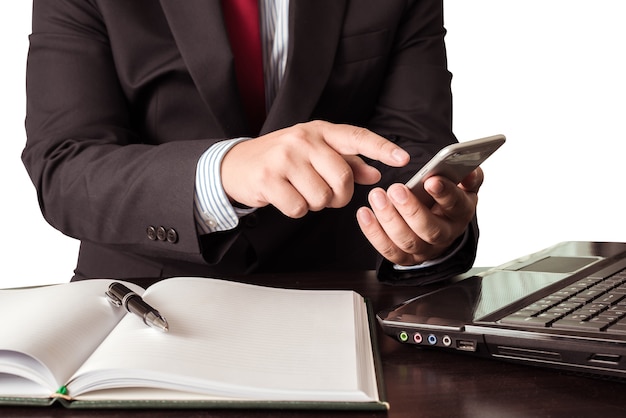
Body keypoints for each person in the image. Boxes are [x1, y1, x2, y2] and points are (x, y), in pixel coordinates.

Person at [23, 0, 481, 285]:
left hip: (343, 297)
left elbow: (411, 154)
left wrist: (426, 235)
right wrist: (225, 171)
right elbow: (64, 166)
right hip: (143, 300)